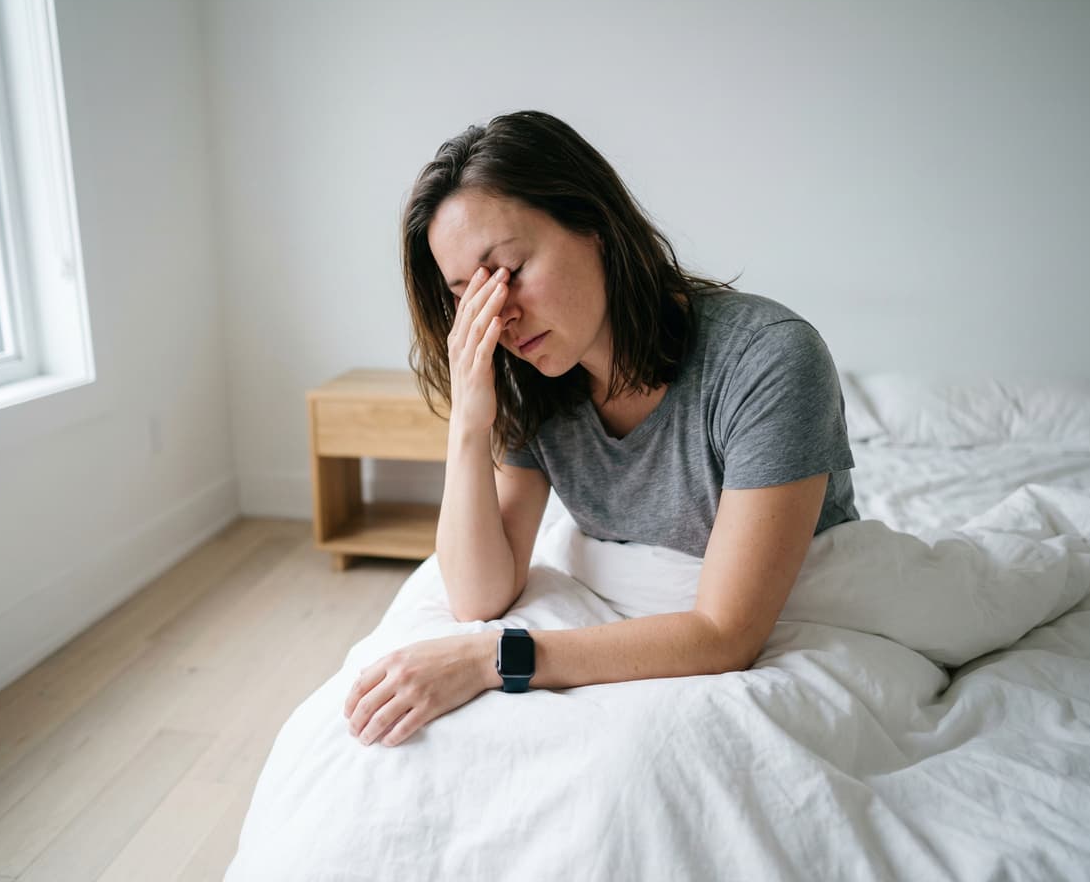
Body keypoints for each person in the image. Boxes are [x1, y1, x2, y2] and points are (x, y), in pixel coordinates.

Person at [344, 110, 859, 747]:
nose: (497, 315)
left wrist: (488, 660)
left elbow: (727, 634)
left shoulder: (770, 359)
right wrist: (470, 423)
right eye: (468, 294)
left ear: (596, 227)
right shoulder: (534, 385)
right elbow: (480, 594)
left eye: (508, 270)